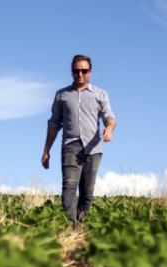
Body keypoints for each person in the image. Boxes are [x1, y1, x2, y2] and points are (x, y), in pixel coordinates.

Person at [41, 54, 116, 228]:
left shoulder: (100, 94)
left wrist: (109, 129)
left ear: (90, 72)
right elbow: (53, 124)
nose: (80, 74)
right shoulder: (62, 95)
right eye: (76, 71)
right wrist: (46, 151)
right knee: (69, 185)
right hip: (70, 145)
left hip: (93, 148)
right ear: (71, 72)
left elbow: (109, 117)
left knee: (87, 192)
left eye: (84, 71)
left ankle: (81, 226)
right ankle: (69, 227)